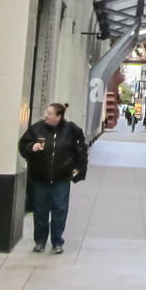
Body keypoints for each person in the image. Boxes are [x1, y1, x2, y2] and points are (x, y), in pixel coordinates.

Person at [18, 102, 87, 254]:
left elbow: (80, 149)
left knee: (59, 210)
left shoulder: (71, 130)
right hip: (40, 177)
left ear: (58, 116)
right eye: (46, 113)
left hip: (61, 178)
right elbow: (23, 145)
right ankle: (40, 241)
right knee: (40, 211)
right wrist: (31, 147)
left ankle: (57, 241)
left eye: (49, 113)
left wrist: (78, 167)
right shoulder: (37, 128)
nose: (46, 116)